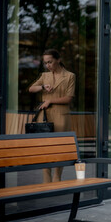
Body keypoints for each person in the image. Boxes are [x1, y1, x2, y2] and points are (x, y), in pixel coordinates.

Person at [29, 49, 75, 183]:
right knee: (45, 147)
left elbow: (68, 98)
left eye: (50, 62)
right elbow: (31, 89)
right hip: (45, 116)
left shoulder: (70, 76)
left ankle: (57, 176)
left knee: (59, 147)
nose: (48, 65)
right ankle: (46, 177)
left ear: (58, 60)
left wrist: (50, 101)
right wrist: (42, 87)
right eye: (45, 63)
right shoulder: (45, 75)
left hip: (61, 115)